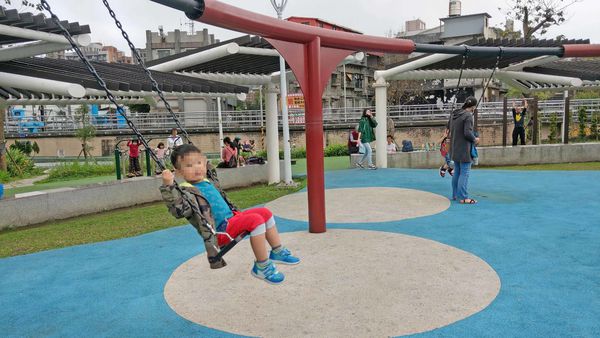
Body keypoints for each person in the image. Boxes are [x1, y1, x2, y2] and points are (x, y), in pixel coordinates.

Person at [160, 144, 300, 284]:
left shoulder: (207, 181)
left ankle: (277, 251)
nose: (197, 167)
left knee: (265, 212)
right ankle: (262, 266)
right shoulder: (185, 191)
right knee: (255, 220)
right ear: (179, 173)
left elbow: (210, 169)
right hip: (220, 231)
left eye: (199, 162)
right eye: (189, 165)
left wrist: (205, 163)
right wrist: (168, 186)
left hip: (232, 218)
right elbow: (179, 211)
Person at [448, 96, 479, 204]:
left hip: (454, 148)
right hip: (464, 149)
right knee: (464, 173)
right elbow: (467, 133)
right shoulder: (468, 116)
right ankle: (463, 197)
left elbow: (449, 129)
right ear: (473, 106)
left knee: (457, 172)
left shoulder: (454, 115)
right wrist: (475, 139)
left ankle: (455, 195)